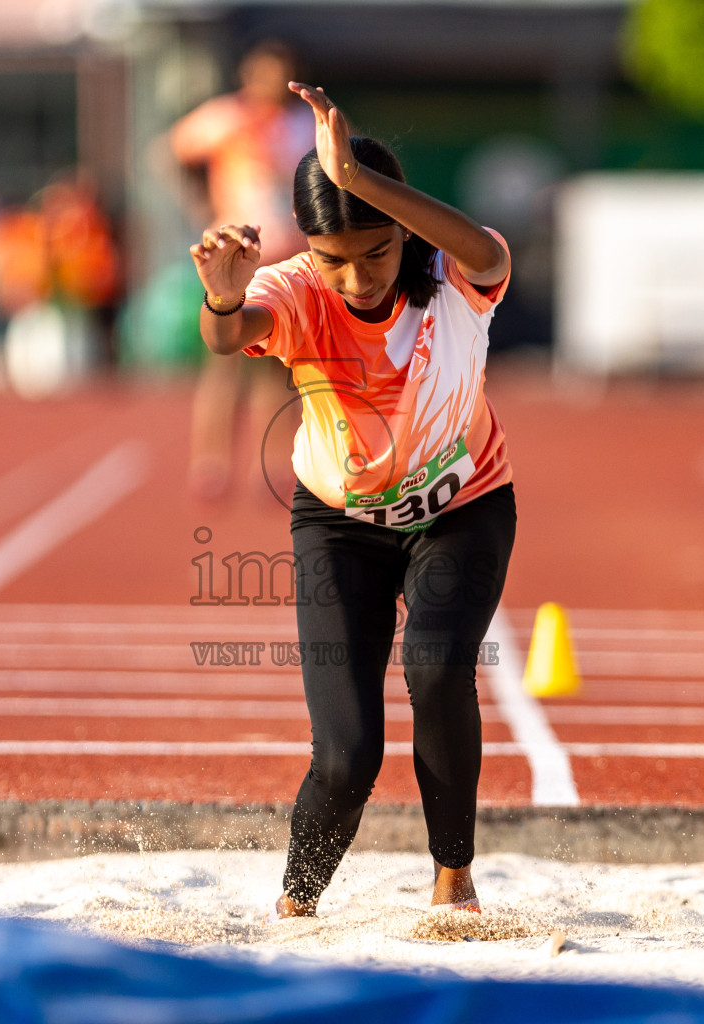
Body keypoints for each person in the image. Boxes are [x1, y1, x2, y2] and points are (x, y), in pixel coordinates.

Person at [189, 82, 516, 918]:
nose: (356, 277)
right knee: (347, 755)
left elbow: (485, 252)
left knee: (439, 668)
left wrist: (363, 182)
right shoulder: (299, 289)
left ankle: (453, 881)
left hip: (461, 508)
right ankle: (297, 904)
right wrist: (223, 296)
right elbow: (232, 333)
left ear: (401, 230)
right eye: (333, 257)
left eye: (373, 253)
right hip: (340, 526)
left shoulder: (453, 274)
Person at [169, 40, 315, 501]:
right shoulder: (225, 117)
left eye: (281, 73)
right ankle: (210, 462)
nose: (271, 82)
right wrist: (201, 203)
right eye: (264, 73)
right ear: (248, 76)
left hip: (285, 251)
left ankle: (272, 466)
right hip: (233, 253)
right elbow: (172, 151)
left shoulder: (300, 125)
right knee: (224, 362)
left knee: (278, 364)